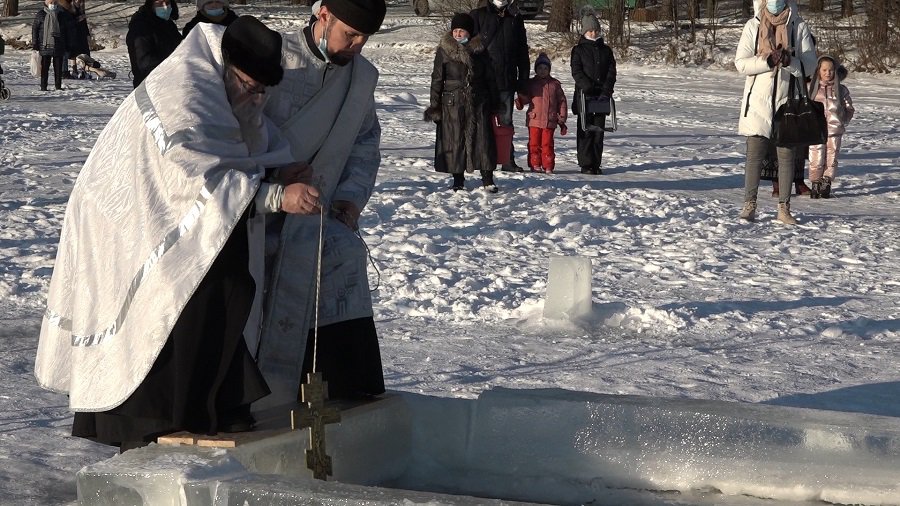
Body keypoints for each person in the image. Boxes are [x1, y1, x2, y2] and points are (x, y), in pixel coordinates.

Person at [35, 16, 314, 452]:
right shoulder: (185, 90)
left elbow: (240, 148)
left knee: (226, 284)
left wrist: (278, 169)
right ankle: (153, 415)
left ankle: (209, 401)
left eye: (264, 91)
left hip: (174, 216)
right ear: (227, 70)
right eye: (250, 86)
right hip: (125, 221)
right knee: (169, 296)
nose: (256, 100)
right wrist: (276, 196)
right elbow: (196, 177)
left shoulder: (230, 86)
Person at [256, 0, 387, 406]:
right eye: (351, 34)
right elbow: (240, 126)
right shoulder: (275, 59)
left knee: (344, 253)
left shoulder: (361, 79)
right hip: (258, 211)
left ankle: (343, 391)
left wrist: (350, 199)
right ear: (325, 14)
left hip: (319, 212)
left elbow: (365, 141)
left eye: (365, 38)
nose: (358, 45)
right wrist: (273, 180)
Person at [734, 0, 816, 224]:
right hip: (758, 102)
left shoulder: (798, 26)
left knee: (787, 156)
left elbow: (810, 65)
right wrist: (768, 60)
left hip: (787, 101)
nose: (774, 2)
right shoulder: (753, 25)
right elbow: (741, 64)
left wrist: (789, 61)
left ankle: (784, 208)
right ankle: (749, 205)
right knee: (754, 156)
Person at [424, 13, 499, 192]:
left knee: (483, 140)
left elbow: (490, 78)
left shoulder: (480, 50)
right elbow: (437, 79)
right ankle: (458, 180)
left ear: (469, 33)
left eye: (462, 31)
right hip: (453, 102)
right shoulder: (444, 50)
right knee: (455, 140)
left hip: (478, 100)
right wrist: (435, 107)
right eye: (455, 31)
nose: (458, 34)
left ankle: (487, 179)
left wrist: (496, 103)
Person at [469, 0, 529, 173]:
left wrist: (523, 80)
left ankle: (507, 159)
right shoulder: (478, 15)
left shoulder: (515, 17)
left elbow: (522, 51)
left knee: (506, 121)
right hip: (483, 81)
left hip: (506, 80)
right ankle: (481, 158)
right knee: (481, 120)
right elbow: (470, 49)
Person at [570, 13, 616, 176]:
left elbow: (611, 72)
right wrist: (587, 86)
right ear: (584, 32)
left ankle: (596, 162)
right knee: (585, 130)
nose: (593, 33)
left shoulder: (606, 50)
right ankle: (586, 163)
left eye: (596, 30)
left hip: (602, 97)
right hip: (585, 96)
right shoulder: (578, 50)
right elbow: (576, 71)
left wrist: (606, 89)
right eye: (590, 30)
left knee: (598, 131)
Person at [807, 55, 854, 199]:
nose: (828, 73)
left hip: (834, 129)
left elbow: (849, 108)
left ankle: (826, 182)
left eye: (831, 70)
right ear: (818, 71)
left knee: (832, 156)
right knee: (816, 156)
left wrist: (842, 119)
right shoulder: (811, 88)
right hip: (816, 130)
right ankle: (815, 182)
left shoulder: (841, 89)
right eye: (824, 70)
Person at [516, 52, 567, 174]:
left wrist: (562, 117)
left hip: (550, 120)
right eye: (540, 68)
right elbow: (526, 98)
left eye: (545, 68)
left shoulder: (554, 84)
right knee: (534, 144)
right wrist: (520, 101)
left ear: (549, 69)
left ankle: (548, 165)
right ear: (536, 69)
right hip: (534, 119)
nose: (542, 71)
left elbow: (562, 101)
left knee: (547, 144)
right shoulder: (531, 83)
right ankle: (535, 164)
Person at [126, 0, 182, 88]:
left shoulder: (168, 24)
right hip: (150, 86)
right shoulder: (140, 26)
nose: (165, 7)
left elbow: (181, 47)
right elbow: (145, 62)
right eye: (160, 3)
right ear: (151, 5)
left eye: (167, 3)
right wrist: (175, 65)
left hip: (173, 82)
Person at [32, 0, 74, 91]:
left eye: (55, 3)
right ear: (46, 3)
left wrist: (68, 44)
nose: (53, 5)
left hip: (59, 45)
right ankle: (43, 87)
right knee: (44, 68)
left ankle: (58, 86)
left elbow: (67, 31)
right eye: (51, 3)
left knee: (58, 68)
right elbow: (35, 29)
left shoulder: (62, 15)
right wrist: (35, 43)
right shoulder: (41, 14)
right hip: (45, 45)